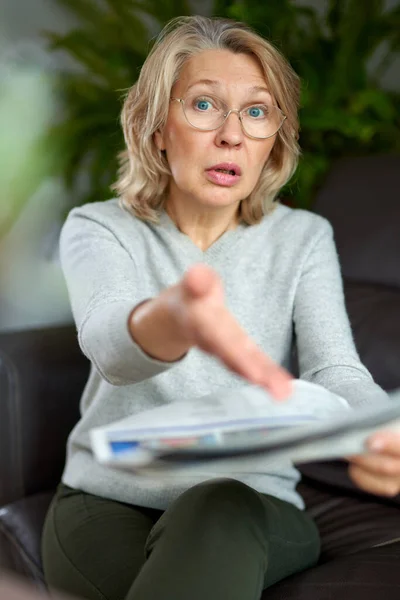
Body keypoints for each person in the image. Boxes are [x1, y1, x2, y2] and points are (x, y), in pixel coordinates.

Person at [41, 15, 400, 600]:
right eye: (205, 105)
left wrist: (379, 430)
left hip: (253, 502)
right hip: (109, 501)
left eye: (256, 112)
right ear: (157, 128)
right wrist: (174, 318)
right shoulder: (98, 227)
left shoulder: (304, 237)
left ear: (273, 141)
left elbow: (334, 367)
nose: (232, 134)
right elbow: (110, 344)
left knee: (220, 503)